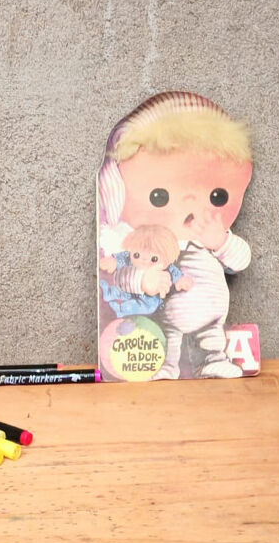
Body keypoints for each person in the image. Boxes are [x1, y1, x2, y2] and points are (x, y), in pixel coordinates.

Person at [97, 91, 253, 378]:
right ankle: (166, 366)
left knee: (212, 337)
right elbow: (120, 275)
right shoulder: (145, 244)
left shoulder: (209, 238)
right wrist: (144, 278)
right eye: (159, 196)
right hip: (165, 316)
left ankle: (212, 360)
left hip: (212, 315)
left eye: (217, 195)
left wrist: (221, 241)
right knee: (168, 338)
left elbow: (241, 260)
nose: (191, 203)